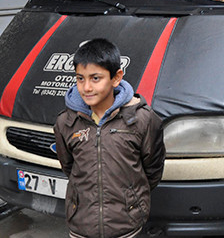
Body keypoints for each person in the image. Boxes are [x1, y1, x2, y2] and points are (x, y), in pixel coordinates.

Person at [53, 38, 165, 238]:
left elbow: (152, 170)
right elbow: (69, 167)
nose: (86, 87)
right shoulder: (66, 122)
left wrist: (131, 199)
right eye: (80, 78)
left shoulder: (142, 119)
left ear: (116, 77)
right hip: (81, 225)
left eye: (96, 78)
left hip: (126, 226)